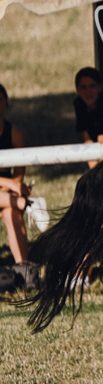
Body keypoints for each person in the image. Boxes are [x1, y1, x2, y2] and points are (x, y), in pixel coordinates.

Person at [0, 83, 31, 265]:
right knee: (14, 202)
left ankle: (23, 268)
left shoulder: (15, 133)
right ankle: (26, 204)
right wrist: (11, 185)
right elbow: (15, 182)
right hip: (7, 190)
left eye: (0, 100)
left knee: (12, 212)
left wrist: (9, 185)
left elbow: (19, 174)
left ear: (6, 103)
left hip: (4, 193)